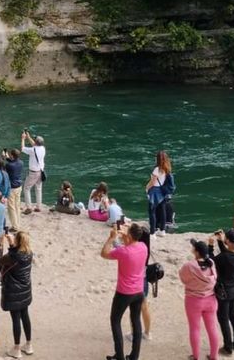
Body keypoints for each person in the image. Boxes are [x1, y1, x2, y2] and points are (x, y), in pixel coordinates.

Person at [100, 222, 148, 360]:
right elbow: (134, 241)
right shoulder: (143, 247)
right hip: (138, 291)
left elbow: (104, 253)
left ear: (130, 236)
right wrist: (125, 235)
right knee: (136, 321)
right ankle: (134, 356)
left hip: (124, 292)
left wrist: (111, 238)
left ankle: (119, 356)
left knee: (115, 321)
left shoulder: (123, 251)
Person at [178, 239, 219, 360]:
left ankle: (195, 356)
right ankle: (214, 356)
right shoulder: (211, 263)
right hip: (211, 299)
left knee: (195, 328)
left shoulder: (189, 266)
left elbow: (183, 278)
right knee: (212, 328)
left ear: (196, 252)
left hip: (194, 300)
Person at [209, 229, 234, 355]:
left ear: (228, 241)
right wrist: (221, 242)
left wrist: (210, 246)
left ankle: (228, 347)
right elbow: (227, 253)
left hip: (223, 291)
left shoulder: (223, 258)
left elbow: (212, 261)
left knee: (223, 319)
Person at [0, 231, 34, 359]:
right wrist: (12, 244)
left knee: (16, 319)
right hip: (25, 290)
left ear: (18, 241)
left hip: (13, 291)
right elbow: (17, 254)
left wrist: (0, 244)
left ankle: (17, 348)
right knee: (25, 316)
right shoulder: (29, 253)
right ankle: (29, 345)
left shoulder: (12, 256)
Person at [145, 151, 174, 236]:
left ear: (157, 159)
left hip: (154, 191)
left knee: (152, 212)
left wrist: (146, 188)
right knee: (162, 210)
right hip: (162, 191)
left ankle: (152, 232)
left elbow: (153, 182)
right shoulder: (167, 168)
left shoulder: (157, 169)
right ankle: (162, 230)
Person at [21, 131, 46, 214]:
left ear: (36, 142)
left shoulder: (32, 150)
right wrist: (28, 137)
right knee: (38, 189)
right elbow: (35, 145)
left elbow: (22, 148)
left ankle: (29, 207)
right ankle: (39, 206)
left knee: (26, 188)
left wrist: (23, 139)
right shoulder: (43, 148)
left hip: (33, 172)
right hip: (41, 171)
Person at [4, 149, 24, 230]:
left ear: (12, 155)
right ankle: (18, 223)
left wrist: (3, 158)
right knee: (17, 205)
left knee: (11, 207)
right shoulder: (21, 163)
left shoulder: (9, 165)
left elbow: (5, 167)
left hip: (11, 188)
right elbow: (12, 162)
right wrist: (7, 158)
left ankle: (15, 226)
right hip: (19, 186)